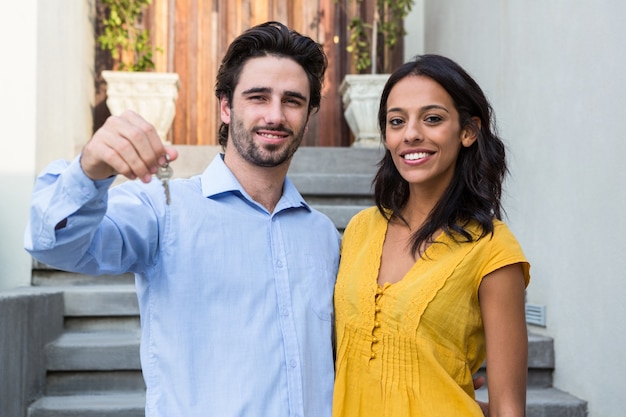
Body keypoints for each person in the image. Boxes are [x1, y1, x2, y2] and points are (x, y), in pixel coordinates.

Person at [24, 21, 339, 417]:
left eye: (292, 101)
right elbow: (55, 244)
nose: (275, 115)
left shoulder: (323, 234)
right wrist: (89, 169)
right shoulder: (163, 208)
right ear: (226, 107)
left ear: (308, 116)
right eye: (258, 97)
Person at [332, 54, 530, 417]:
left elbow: (508, 409)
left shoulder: (493, 249)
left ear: (468, 131)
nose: (411, 134)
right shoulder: (360, 230)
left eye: (433, 118)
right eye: (397, 121)